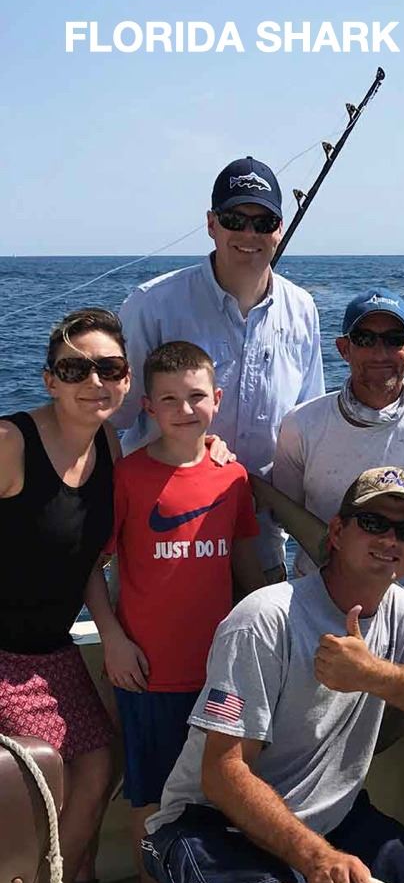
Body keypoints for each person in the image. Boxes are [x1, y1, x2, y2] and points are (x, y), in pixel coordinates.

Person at [141, 466, 404, 883]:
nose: (389, 539)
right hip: (215, 821)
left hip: (331, 816)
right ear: (337, 532)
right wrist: (317, 859)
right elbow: (223, 773)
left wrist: (374, 675)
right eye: (373, 523)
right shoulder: (265, 619)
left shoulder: (401, 610)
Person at [86, 341, 262, 883]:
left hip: (220, 677)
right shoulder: (128, 477)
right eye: (169, 399)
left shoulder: (233, 477)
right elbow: (92, 567)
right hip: (150, 675)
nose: (184, 410)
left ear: (218, 399)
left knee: (221, 792)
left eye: (195, 397)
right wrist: (112, 640)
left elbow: (245, 570)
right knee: (151, 802)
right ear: (147, 406)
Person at [114, 156, 324, 578]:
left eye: (263, 222)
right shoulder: (151, 304)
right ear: (211, 224)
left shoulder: (302, 308)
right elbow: (113, 418)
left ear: (280, 229)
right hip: (160, 536)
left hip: (261, 539)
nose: (249, 234)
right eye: (234, 219)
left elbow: (308, 429)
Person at [0, 308, 131, 883]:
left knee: (102, 762)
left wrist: (112, 634)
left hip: (52, 650)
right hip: (3, 655)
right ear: (49, 380)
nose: (93, 382)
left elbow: (88, 561)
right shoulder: (11, 443)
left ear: (127, 379)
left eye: (110, 368)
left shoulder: (108, 444)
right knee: (47, 774)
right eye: (75, 370)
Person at [272, 289, 404, 634]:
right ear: (344, 348)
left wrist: (392, 549)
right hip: (321, 578)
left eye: (393, 339)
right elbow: (280, 519)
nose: (379, 352)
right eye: (365, 339)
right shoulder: (301, 424)